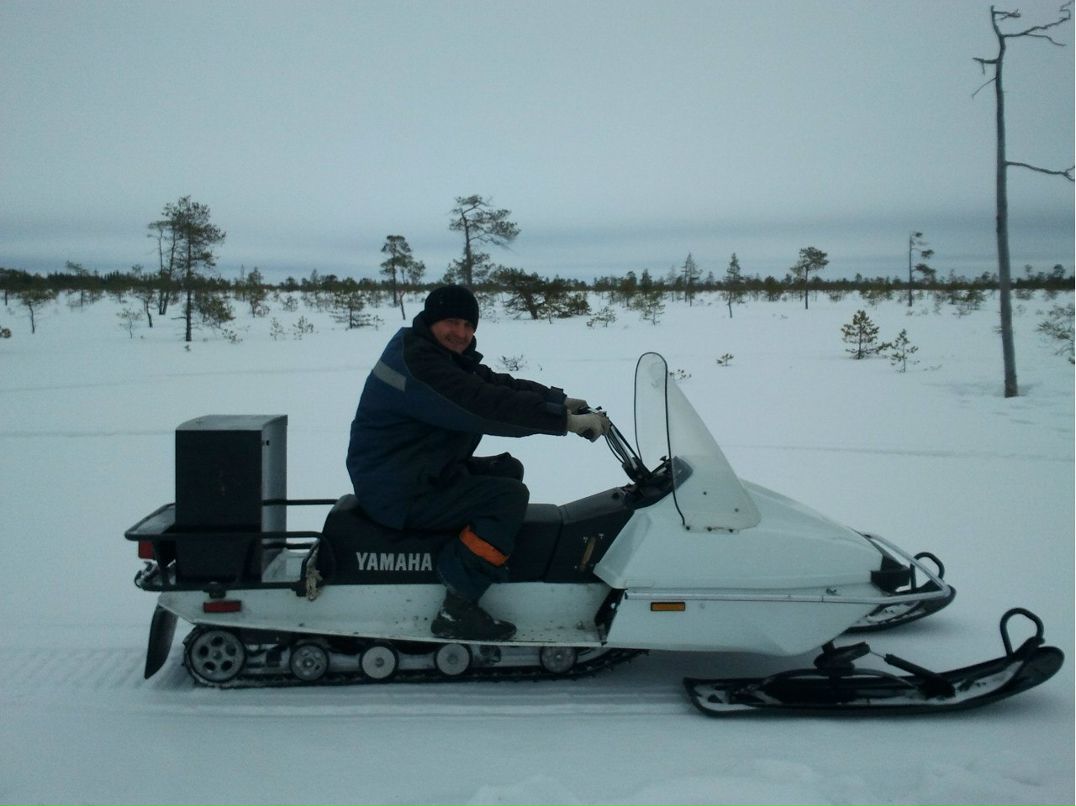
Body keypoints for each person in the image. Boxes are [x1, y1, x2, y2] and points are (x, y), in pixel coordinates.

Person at [346, 284, 610, 641]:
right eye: (452, 322)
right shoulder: (420, 365)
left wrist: (556, 401)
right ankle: (458, 604)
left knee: (506, 471)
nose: (461, 333)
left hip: (408, 470)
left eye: (469, 326)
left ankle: (473, 558)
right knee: (507, 498)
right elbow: (482, 404)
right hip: (398, 489)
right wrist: (563, 423)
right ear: (431, 320)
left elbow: (492, 383)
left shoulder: (429, 352)